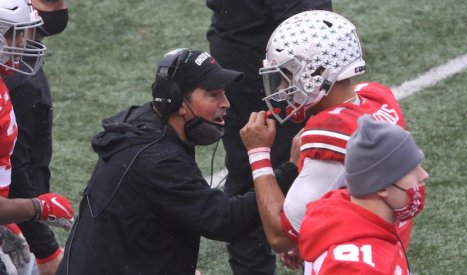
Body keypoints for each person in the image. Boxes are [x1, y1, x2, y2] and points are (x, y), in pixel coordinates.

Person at [56, 48, 297, 275]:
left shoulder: (146, 124)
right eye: (214, 94)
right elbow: (225, 220)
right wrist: (286, 167)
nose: (226, 103)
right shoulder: (157, 160)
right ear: (177, 102)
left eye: (223, 92)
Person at [239, 9, 410, 265]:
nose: (281, 88)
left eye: (287, 75)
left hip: (349, 263)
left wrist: (258, 153)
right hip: (386, 253)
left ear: (316, 73)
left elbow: (280, 236)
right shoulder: (376, 99)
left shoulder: (330, 131)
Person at [206, 1, 333, 273]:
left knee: (255, 175)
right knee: (319, 168)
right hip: (279, 68)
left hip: (249, 53)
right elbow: (313, 26)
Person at [299, 115, 428, 274]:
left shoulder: (361, 221)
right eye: (410, 170)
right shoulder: (358, 268)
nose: (423, 175)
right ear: (381, 187)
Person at [0, 1, 74, 274]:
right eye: (14, 34)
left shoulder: (8, 83)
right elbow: (17, 169)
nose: (23, 44)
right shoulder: (18, 86)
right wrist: (37, 209)